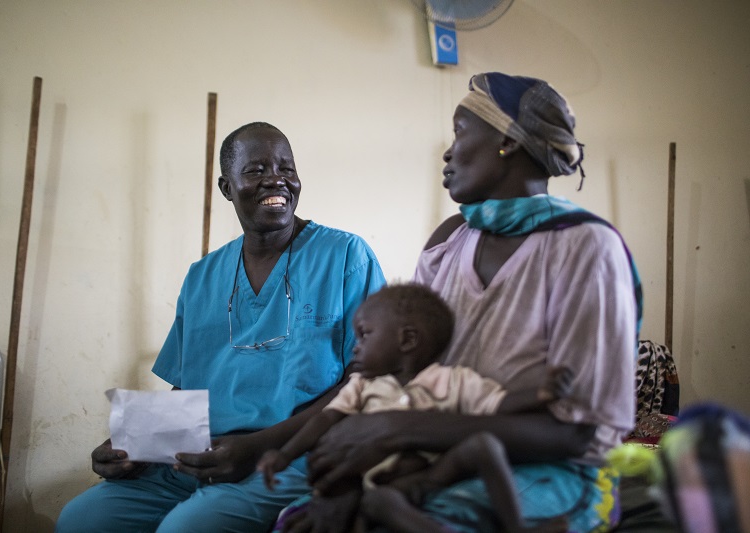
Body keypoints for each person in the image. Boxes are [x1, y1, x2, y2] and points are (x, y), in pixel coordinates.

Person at [282, 73, 642, 533]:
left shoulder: (585, 248)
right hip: (440, 453)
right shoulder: (449, 241)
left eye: (459, 131)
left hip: (552, 470)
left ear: (508, 141)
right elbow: (408, 374)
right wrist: (361, 463)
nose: (448, 153)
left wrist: (397, 429)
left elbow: (576, 434)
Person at [55, 122, 386, 533]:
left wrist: (257, 446)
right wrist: (136, 444)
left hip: (292, 454)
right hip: (195, 454)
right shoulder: (202, 276)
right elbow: (188, 386)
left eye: (287, 166)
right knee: (81, 520)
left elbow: (368, 379)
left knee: (185, 529)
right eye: (256, 169)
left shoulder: (345, 257)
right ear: (226, 187)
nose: (276, 178)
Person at [259, 283, 572, 533]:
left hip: (434, 474)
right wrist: (285, 454)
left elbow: (499, 404)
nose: (356, 346)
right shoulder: (362, 385)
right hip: (380, 484)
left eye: (365, 334)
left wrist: (541, 393)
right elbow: (324, 420)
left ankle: (517, 526)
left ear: (407, 340)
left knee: (484, 444)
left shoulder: (454, 380)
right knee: (379, 503)